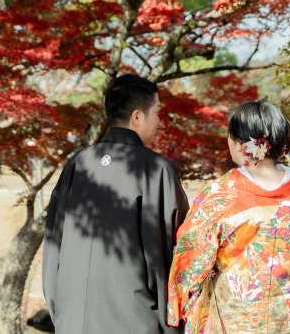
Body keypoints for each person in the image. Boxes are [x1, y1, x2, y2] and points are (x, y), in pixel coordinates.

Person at [167, 100, 290, 334]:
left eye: (231, 136)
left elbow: (191, 256)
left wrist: (176, 303)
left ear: (242, 144)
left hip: (238, 318)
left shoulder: (219, 194)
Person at [43, 74, 190, 334]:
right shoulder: (157, 169)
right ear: (137, 117)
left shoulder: (78, 163)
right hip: (134, 320)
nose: (158, 121)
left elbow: (53, 245)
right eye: (156, 112)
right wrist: (172, 326)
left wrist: (60, 312)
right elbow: (168, 256)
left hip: (71, 319)